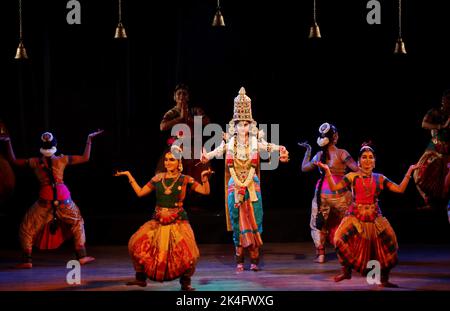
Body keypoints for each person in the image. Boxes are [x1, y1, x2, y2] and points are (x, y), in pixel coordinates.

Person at [201, 87, 289, 272]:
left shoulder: (256, 141)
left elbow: (268, 147)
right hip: (234, 184)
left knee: (255, 218)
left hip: (252, 184)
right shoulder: (230, 142)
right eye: (240, 124)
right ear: (235, 126)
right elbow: (217, 151)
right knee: (236, 220)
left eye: (246, 124)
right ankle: (240, 258)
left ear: (251, 125)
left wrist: (280, 149)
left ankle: (255, 259)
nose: (243, 127)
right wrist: (206, 157)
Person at [317, 143, 419, 287]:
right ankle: (346, 271)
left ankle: (384, 280)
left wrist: (409, 172)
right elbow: (334, 188)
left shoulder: (379, 178)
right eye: (364, 157)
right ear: (358, 161)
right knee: (339, 238)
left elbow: (400, 189)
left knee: (390, 244)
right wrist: (327, 170)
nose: (367, 160)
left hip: (375, 216)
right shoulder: (352, 176)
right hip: (355, 216)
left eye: (371, 157)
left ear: (374, 161)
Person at [0, 130, 103, 268]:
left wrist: (8, 142)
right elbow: (85, 157)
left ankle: (27, 260)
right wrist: (89, 139)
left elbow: (13, 161)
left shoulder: (35, 162)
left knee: (26, 228)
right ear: (55, 145)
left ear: (41, 146)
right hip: (64, 199)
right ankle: (82, 256)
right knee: (77, 222)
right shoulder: (63, 159)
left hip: (45, 201)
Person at [114, 148, 212, 290]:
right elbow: (141, 193)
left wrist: (204, 179)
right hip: (158, 220)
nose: (167, 162)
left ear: (179, 163)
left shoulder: (185, 179)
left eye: (171, 159)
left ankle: (185, 283)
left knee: (190, 253)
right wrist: (129, 176)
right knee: (135, 243)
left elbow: (205, 191)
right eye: (166, 159)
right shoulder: (158, 178)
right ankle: (140, 278)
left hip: (178, 220)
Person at [299, 122, 359, 263]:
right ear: (336, 137)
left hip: (322, 193)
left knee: (318, 223)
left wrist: (308, 150)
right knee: (349, 220)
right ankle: (348, 250)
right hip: (341, 193)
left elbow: (304, 168)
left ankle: (320, 255)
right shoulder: (342, 153)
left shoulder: (319, 154)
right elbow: (356, 169)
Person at [414, 89, 450, 210]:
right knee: (419, 174)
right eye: (446, 100)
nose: (446, 102)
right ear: (443, 101)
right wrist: (440, 126)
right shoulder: (435, 112)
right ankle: (429, 200)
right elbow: (424, 124)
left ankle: (440, 205)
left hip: (447, 151)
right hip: (435, 147)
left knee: (443, 178)